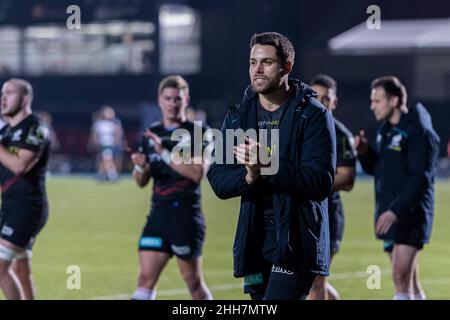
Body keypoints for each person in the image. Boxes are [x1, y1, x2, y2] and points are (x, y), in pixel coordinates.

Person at [207, 32, 336, 300]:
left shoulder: (312, 115)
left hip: (295, 241)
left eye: (266, 62)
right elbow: (218, 179)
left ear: (287, 66)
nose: (257, 69)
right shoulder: (238, 116)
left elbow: (320, 181)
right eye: (253, 62)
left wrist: (268, 165)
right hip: (253, 242)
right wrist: (251, 177)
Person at [355, 76, 440, 300]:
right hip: (391, 212)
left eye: (377, 101)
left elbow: (421, 177)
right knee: (409, 281)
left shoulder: (419, 130)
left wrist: (396, 211)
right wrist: (365, 153)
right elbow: (381, 169)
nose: (372, 106)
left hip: (410, 214)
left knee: (399, 278)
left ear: (394, 101)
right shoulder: (386, 129)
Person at [130, 75, 212, 300]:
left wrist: (164, 153)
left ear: (186, 99)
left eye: (178, 98)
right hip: (158, 214)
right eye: (168, 98)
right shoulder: (152, 134)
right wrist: (141, 167)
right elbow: (141, 182)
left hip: (185, 216)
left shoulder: (199, 132)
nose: (172, 103)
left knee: (193, 283)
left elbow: (197, 174)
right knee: (145, 278)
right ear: (160, 100)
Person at [0, 78, 51, 299]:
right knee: (21, 271)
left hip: (28, 207)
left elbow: (20, 166)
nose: (3, 98)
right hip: (10, 206)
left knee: (0, 270)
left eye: (10, 93)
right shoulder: (6, 133)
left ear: (25, 98)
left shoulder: (35, 128)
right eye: (2, 93)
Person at [309, 74, 356, 300]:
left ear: (334, 102)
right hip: (301, 214)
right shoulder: (300, 130)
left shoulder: (342, 136)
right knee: (308, 280)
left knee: (316, 279)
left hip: (327, 216)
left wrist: (310, 184)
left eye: (326, 98)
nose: (321, 102)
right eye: (316, 97)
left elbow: (347, 179)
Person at [88, 106, 125, 182]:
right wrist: (94, 143)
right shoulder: (98, 123)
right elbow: (94, 134)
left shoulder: (115, 123)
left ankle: (108, 174)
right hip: (103, 144)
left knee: (108, 159)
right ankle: (108, 174)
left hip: (111, 144)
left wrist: (117, 141)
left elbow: (119, 133)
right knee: (104, 159)